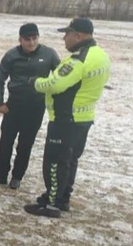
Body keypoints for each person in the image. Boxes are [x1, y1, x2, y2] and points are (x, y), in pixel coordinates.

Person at [23, 18, 110, 218]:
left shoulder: (78, 60)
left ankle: (52, 205)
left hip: (66, 118)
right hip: (84, 117)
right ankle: (62, 199)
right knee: (70, 161)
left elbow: (55, 84)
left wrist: (35, 82)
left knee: (55, 162)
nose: (64, 38)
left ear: (78, 36)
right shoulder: (101, 56)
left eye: (67, 34)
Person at [0, 23, 60, 189]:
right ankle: (1, 174)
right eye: (27, 39)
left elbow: (60, 78)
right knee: (6, 142)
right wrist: (0, 102)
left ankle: (17, 177)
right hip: (13, 106)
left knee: (25, 144)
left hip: (36, 107)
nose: (31, 43)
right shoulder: (11, 55)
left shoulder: (49, 54)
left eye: (34, 38)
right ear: (20, 40)